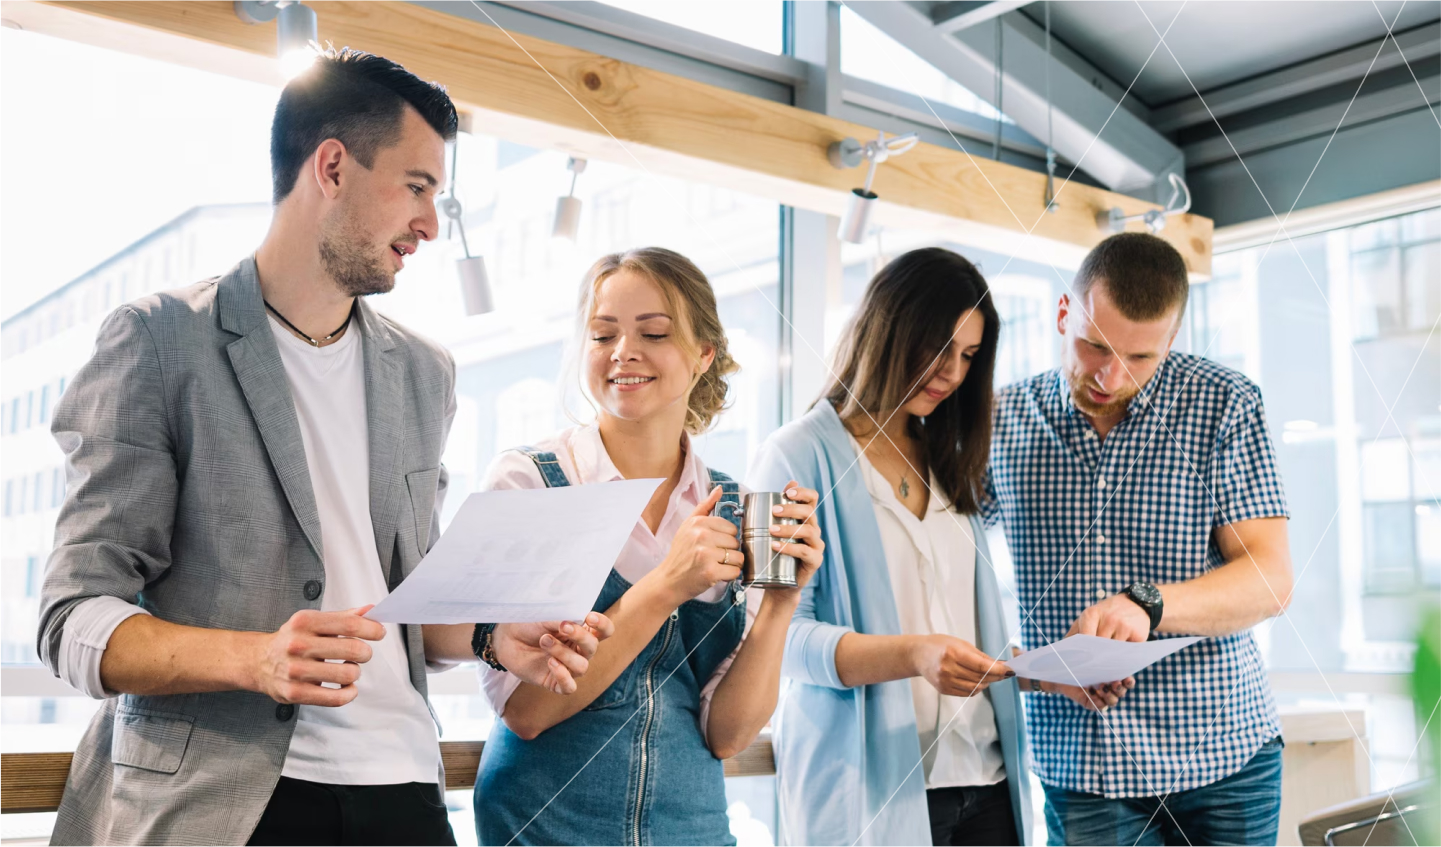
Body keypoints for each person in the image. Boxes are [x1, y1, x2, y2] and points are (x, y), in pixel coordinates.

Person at [36, 49, 608, 847]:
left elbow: (408, 600)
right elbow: (71, 616)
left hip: (403, 790)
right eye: (416, 187)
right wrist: (255, 658)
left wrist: (491, 634)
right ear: (332, 166)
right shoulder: (159, 340)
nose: (430, 225)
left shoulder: (424, 371)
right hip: (226, 801)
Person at [472, 247, 826, 846]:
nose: (623, 352)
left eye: (653, 332)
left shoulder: (734, 507)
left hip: (692, 828)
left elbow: (726, 736)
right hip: (545, 828)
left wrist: (782, 604)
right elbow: (528, 711)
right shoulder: (531, 482)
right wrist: (667, 584)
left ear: (703, 354)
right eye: (602, 333)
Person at [984, 232, 1292, 846]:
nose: (1109, 375)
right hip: (1083, 765)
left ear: (1170, 341)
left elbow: (1269, 579)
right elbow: (932, 560)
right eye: (1094, 345)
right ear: (1063, 313)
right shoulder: (1000, 419)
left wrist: (1147, 604)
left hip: (1223, 758)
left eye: (1139, 358)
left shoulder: (1223, 404)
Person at [749, 247, 1033, 846]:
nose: (953, 372)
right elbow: (775, 640)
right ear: (889, 328)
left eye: (969, 356)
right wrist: (913, 655)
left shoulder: (951, 456)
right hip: (868, 793)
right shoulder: (786, 454)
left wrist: (1028, 668)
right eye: (940, 349)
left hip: (987, 779)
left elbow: (953, 619)